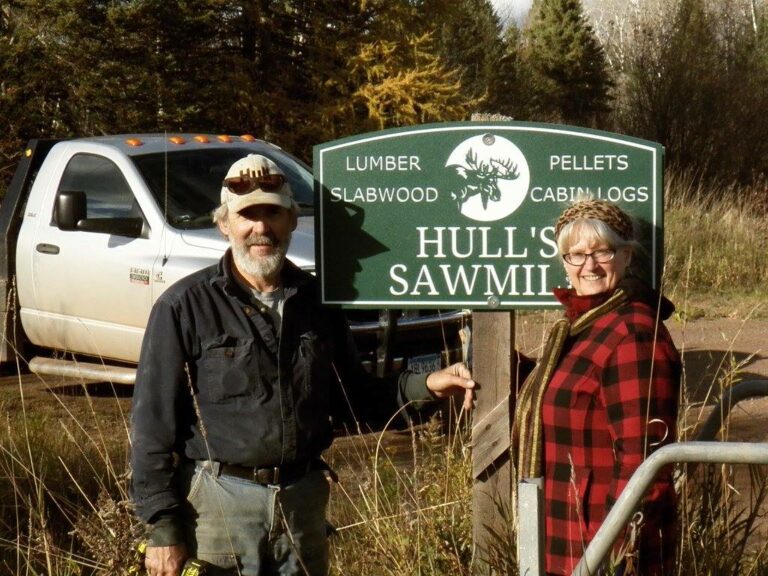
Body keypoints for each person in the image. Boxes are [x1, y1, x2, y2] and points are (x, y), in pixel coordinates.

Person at [129, 153, 475, 576]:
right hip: (219, 511)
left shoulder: (317, 303)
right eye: (247, 215)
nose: (261, 227)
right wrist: (163, 527)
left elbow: (356, 401)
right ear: (225, 224)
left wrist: (429, 385)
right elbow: (151, 428)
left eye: (272, 213)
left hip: (302, 506)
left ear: (292, 220)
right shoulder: (184, 307)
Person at [514, 199, 680, 576]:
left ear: (625, 255)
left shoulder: (633, 333)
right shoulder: (584, 326)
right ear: (564, 262)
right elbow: (568, 393)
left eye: (601, 251)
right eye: (575, 255)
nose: (588, 265)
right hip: (569, 539)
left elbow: (645, 463)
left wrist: (615, 553)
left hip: (604, 549)